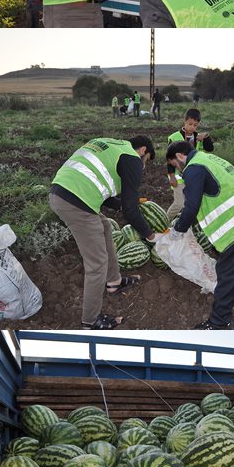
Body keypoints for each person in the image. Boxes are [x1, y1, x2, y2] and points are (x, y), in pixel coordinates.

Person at [48, 136, 158, 329]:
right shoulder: (132, 159)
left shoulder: (111, 145)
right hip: (76, 203)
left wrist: (122, 204)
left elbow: (98, 185)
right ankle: (90, 322)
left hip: (63, 192)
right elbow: (131, 211)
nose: (144, 165)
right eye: (147, 160)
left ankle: (114, 281)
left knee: (105, 226)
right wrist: (150, 235)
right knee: (96, 264)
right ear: (143, 150)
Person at [166, 141, 234, 329]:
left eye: (175, 165)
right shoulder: (206, 158)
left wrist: (178, 230)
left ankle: (219, 323)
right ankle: (222, 315)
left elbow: (191, 206)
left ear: (180, 156)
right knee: (229, 267)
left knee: (228, 272)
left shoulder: (193, 168)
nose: (178, 170)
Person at [166, 108, 214, 215]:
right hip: (178, 177)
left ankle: (184, 222)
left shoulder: (199, 137)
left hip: (193, 176)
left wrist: (206, 136)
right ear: (185, 121)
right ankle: (165, 220)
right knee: (179, 204)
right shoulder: (174, 137)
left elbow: (210, 148)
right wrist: (172, 176)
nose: (192, 127)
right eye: (190, 124)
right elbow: (169, 158)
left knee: (191, 203)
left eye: (195, 125)